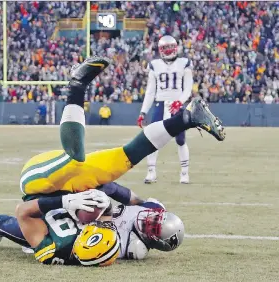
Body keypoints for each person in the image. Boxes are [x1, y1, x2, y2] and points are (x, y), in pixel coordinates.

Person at [18, 56, 224, 200]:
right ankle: (186, 118)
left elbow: (15, 217)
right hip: (76, 183)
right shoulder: (90, 203)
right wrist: (142, 205)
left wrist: (64, 202)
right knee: (128, 156)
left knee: (74, 159)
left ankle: (76, 86)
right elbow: (113, 191)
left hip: (37, 180)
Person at [0, 183, 185, 264]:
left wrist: (105, 207)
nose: (149, 219)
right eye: (156, 218)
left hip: (66, 232)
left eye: (153, 227)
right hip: (75, 207)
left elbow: (95, 236)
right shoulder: (152, 208)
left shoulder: (134, 247)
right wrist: (111, 189)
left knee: (0, 224)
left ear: (153, 241)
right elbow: (134, 199)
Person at [137, 35, 194, 184]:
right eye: (165, 48)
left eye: (171, 47)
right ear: (160, 49)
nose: (168, 51)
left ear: (175, 48)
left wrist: (179, 102)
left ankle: (184, 173)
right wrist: (143, 111)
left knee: (180, 139)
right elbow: (150, 91)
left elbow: (188, 87)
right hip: (160, 104)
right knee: (153, 138)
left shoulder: (184, 63)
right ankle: (151, 172)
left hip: (177, 105)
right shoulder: (155, 65)